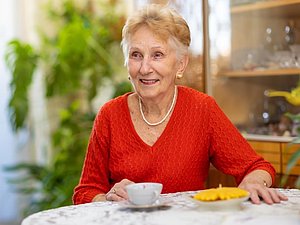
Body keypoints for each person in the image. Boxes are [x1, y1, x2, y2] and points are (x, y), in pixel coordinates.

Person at [73, 4, 287, 205]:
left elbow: (257, 167)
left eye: (157, 55)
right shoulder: (110, 114)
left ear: (181, 64)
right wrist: (108, 199)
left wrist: (254, 182)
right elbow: (85, 192)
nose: (145, 68)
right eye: (136, 55)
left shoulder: (201, 109)